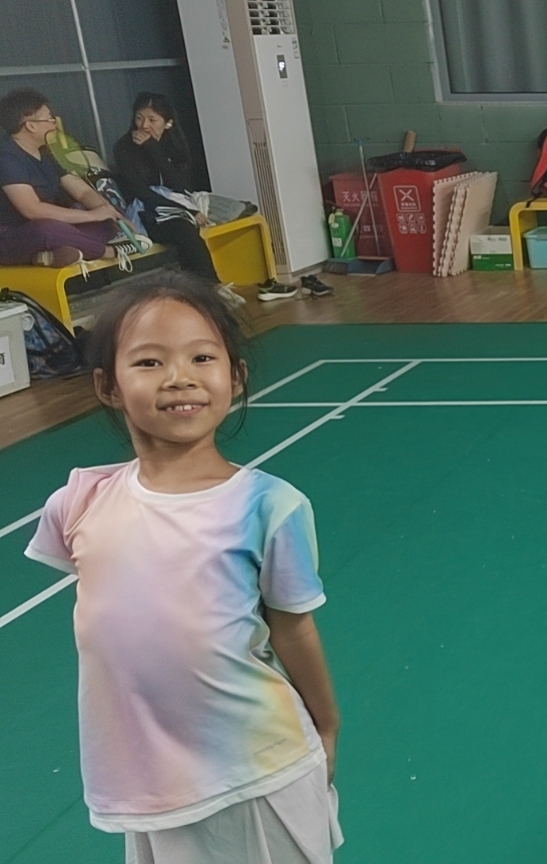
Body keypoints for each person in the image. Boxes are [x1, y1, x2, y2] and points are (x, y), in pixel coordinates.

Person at [23, 270, 344, 863]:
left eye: (202, 357)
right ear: (108, 385)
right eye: (149, 362)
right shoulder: (78, 503)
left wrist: (327, 726)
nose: (179, 378)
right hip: (151, 787)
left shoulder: (270, 507)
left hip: (259, 771)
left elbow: (294, 628)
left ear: (235, 377)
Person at [112, 93, 224, 289]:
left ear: (168, 123)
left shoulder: (174, 145)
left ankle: (201, 289)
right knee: (184, 228)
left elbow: (180, 186)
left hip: (179, 203)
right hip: (147, 211)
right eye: (139, 118)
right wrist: (185, 211)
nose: (144, 125)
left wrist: (153, 148)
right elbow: (140, 192)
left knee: (193, 226)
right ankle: (212, 287)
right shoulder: (123, 148)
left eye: (152, 120)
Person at [0, 88, 121, 267]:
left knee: (106, 223)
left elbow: (81, 191)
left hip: (53, 229)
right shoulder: (6, 157)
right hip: (13, 236)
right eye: (49, 119)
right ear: (31, 126)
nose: (54, 124)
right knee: (47, 229)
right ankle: (109, 252)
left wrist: (108, 211)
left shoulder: (45, 153)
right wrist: (92, 215)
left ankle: (51, 255)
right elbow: (32, 210)